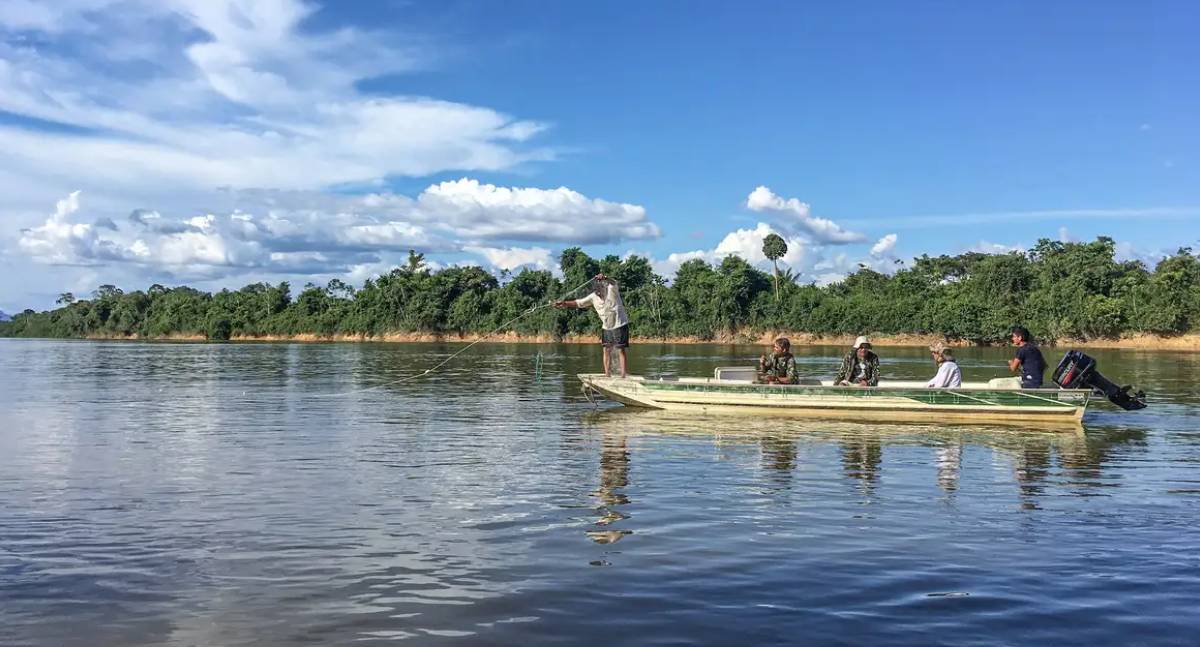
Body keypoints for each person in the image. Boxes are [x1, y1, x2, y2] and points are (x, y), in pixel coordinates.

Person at [555, 273, 629, 377]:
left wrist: (605, 278)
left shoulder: (612, 289)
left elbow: (613, 282)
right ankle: (607, 374)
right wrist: (564, 303)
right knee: (606, 349)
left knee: (620, 349)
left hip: (620, 324)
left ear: (604, 287)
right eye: (598, 292)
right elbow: (578, 303)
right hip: (606, 326)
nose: (600, 294)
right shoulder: (593, 297)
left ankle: (623, 375)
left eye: (601, 291)